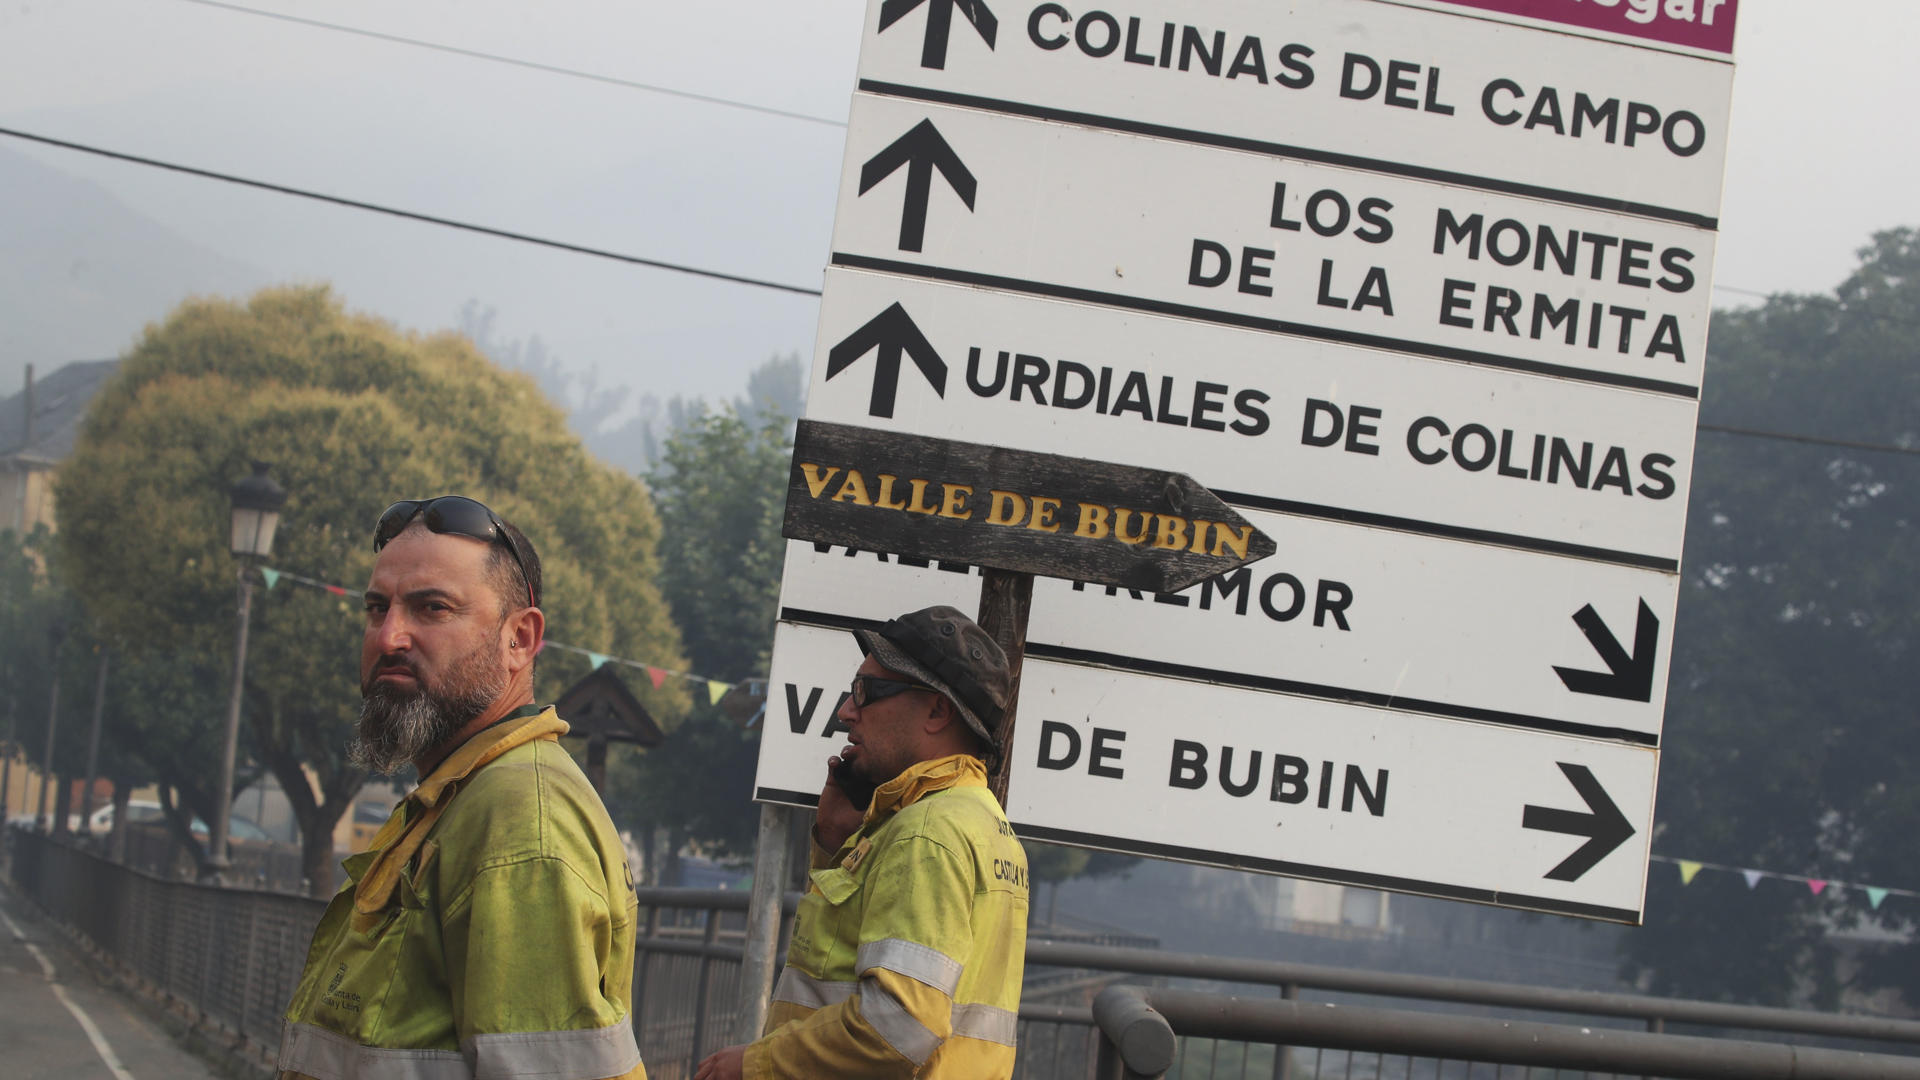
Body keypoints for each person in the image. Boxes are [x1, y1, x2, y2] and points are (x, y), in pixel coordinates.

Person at [278, 496, 645, 1080]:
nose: (390, 636)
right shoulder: (461, 794)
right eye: (377, 608)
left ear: (519, 640)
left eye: (432, 608)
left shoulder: (520, 820)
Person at [696, 606, 1030, 1080]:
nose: (846, 712)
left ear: (937, 711)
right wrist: (836, 845)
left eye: (866, 693)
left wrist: (758, 1063)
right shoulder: (982, 822)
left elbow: (900, 1024)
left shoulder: (925, 832)